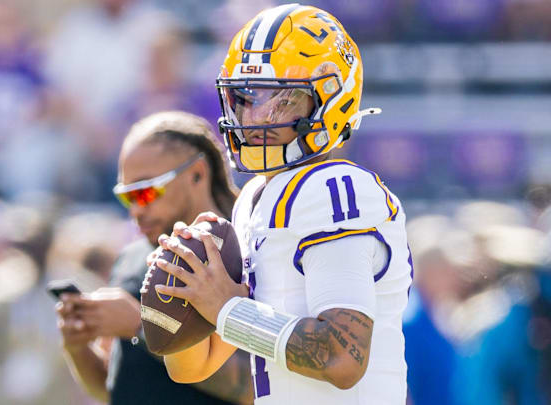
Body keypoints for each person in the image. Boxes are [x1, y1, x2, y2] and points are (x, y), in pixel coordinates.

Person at [154, 5, 413, 404]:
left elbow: (342, 357)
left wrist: (226, 306)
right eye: (246, 97)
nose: (256, 117)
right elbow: (195, 367)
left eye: (283, 101)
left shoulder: (335, 188)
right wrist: (186, 291)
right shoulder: (255, 198)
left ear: (330, 103)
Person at [55, 111, 254, 404]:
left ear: (197, 174)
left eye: (146, 191)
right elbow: (115, 389)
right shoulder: (133, 258)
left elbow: (252, 387)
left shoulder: (242, 255)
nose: (135, 209)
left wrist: (140, 326)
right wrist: (78, 347)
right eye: (127, 196)